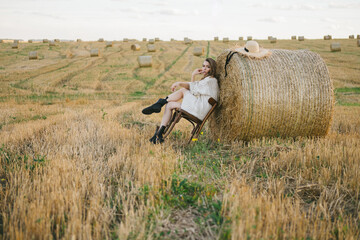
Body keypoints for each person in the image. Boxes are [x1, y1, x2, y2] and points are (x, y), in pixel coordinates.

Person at [142, 58, 219, 144]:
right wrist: (190, 77)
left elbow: (192, 89)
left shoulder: (211, 81)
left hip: (198, 110)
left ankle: (160, 103)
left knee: (182, 90)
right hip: (197, 108)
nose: (204, 69)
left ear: (212, 68)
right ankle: (159, 133)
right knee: (170, 105)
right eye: (203, 66)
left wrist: (182, 81)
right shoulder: (207, 80)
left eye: (208, 67)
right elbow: (193, 88)